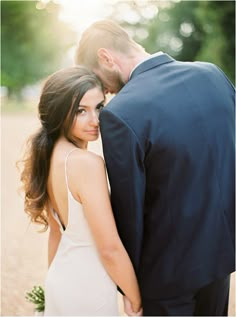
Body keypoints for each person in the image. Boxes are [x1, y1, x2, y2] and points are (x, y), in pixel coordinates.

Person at [75, 20, 235, 316]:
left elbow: (129, 211)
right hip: (221, 259)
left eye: (100, 79)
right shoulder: (213, 75)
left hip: (165, 277)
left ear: (106, 57)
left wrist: (129, 288)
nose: (105, 91)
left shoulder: (121, 113)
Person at [19, 66, 142, 316]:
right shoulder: (87, 164)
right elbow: (109, 248)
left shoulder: (47, 154)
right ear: (58, 112)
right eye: (80, 111)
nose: (95, 120)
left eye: (99, 107)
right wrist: (136, 297)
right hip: (88, 288)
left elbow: (56, 233)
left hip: (61, 280)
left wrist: (51, 286)